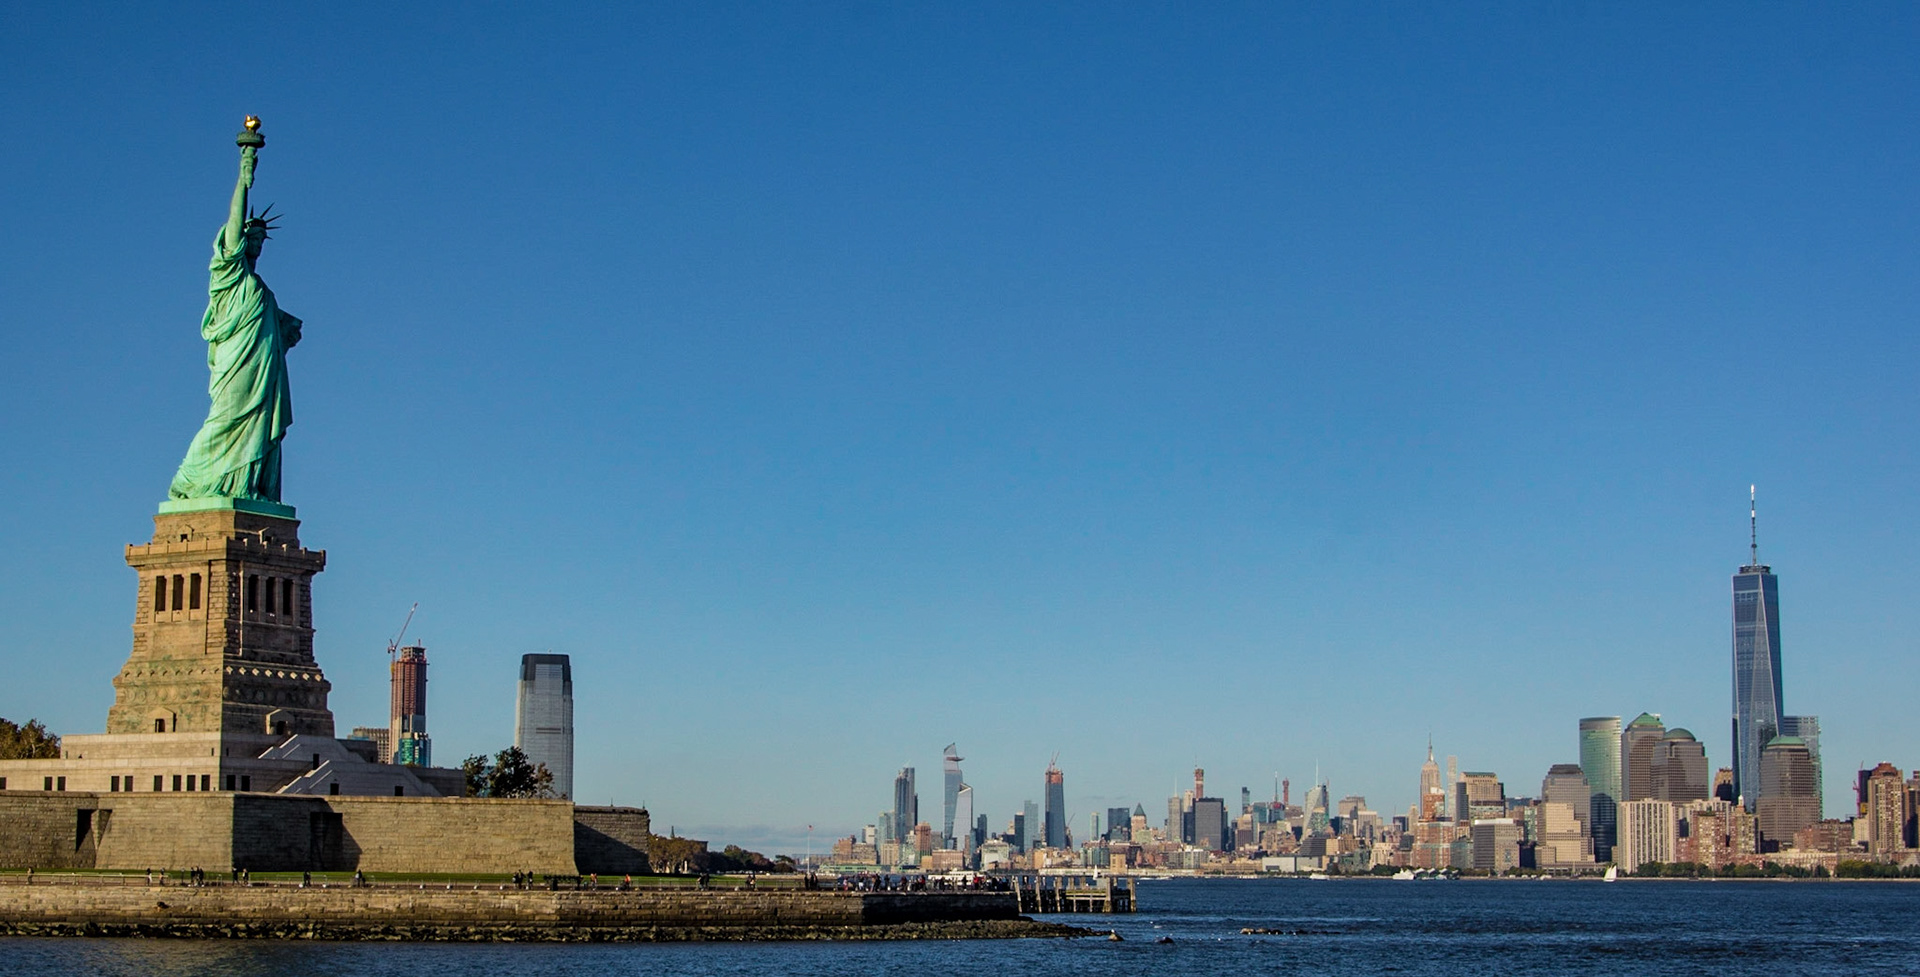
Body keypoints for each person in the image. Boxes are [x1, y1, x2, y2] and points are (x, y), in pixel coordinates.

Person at [168, 133, 303, 503]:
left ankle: (246, 486)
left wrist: (285, 328)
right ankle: (189, 481)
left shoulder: (260, 287)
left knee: (256, 424)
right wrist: (246, 174)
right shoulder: (228, 273)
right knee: (226, 419)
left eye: (261, 240)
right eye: (250, 238)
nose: (256, 244)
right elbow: (234, 221)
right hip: (238, 365)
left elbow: (274, 326)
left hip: (263, 368)